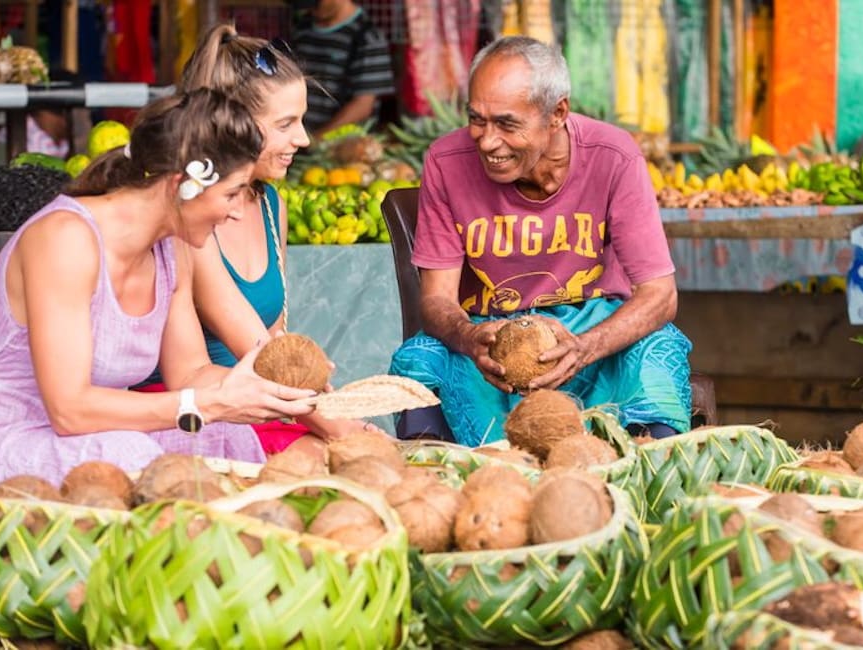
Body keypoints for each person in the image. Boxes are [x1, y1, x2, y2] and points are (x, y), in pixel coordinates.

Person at [0, 89, 318, 605]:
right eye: (231, 194)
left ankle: (221, 605)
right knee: (128, 456)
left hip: (71, 433)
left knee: (224, 440)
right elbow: (68, 410)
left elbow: (190, 377)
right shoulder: (66, 239)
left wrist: (257, 387)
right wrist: (207, 403)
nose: (232, 214)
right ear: (183, 185)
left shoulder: (173, 247)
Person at [389, 36, 692, 447]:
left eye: (507, 124)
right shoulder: (446, 161)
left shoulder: (613, 156)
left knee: (658, 347)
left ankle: (644, 477)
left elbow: (660, 295)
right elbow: (437, 299)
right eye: (477, 119)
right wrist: (467, 337)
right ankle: (434, 485)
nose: (487, 140)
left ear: (557, 114)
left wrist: (585, 347)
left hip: (594, 330)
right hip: (490, 335)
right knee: (419, 360)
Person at [164, 23, 382, 451]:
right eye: (286, 124)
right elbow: (261, 350)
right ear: (235, 125)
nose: (302, 138)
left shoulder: (271, 205)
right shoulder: (192, 211)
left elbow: (279, 345)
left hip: (265, 401)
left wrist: (335, 411)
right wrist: (341, 427)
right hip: (207, 412)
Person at [291, 0, 395, 138]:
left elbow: (363, 105)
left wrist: (317, 139)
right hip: (301, 140)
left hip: (343, 145)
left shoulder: (367, 37)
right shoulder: (302, 30)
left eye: (316, 3)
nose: (312, 10)